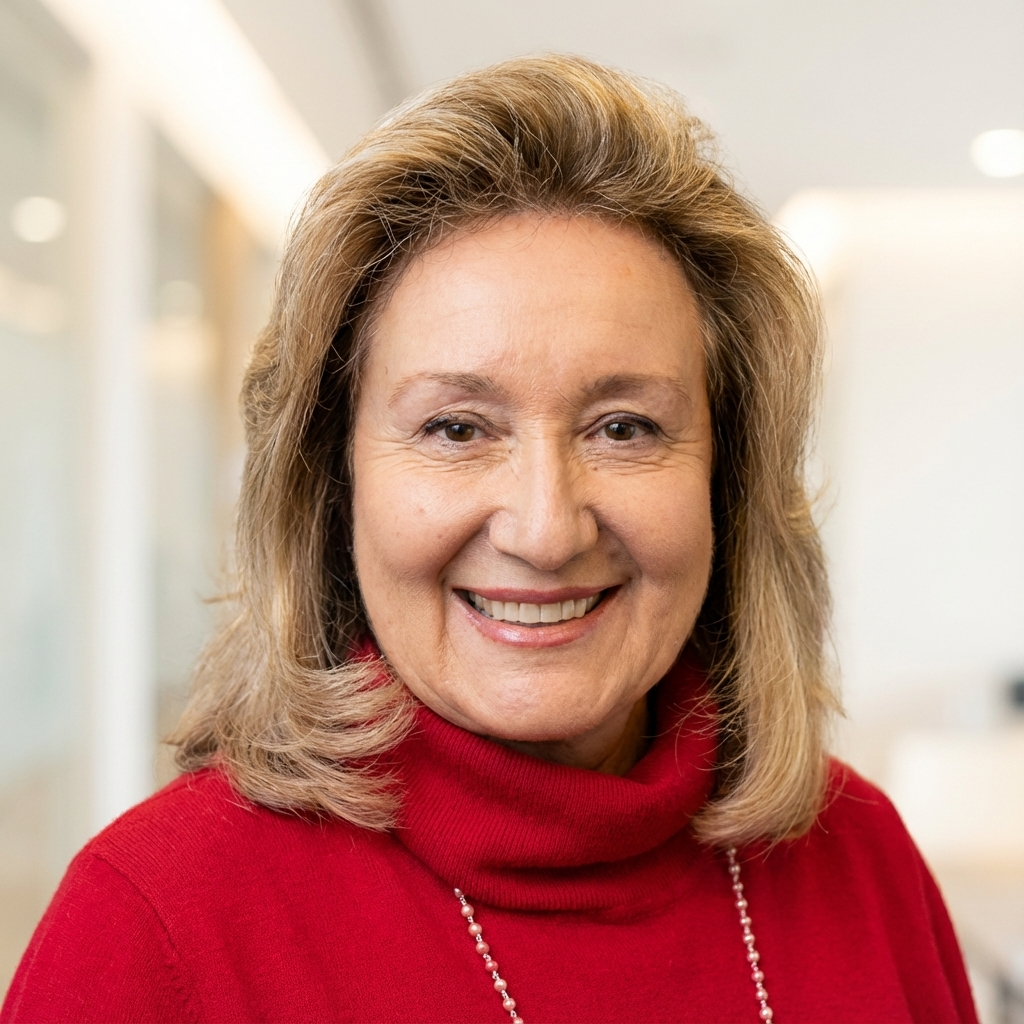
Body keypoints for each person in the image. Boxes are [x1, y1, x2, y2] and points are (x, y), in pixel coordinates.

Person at [2, 55, 976, 1024]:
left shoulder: (860, 856)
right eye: (456, 428)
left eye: (624, 427)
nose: (546, 531)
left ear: (727, 480)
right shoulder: (153, 923)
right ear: (334, 482)